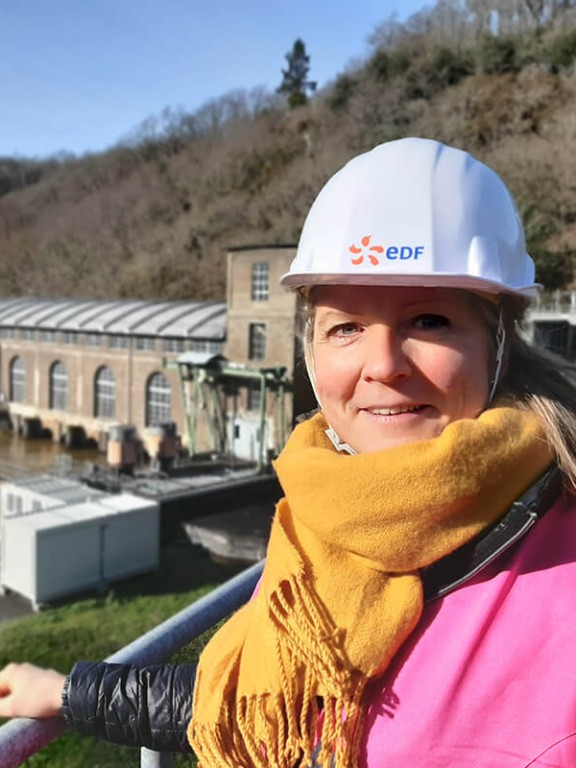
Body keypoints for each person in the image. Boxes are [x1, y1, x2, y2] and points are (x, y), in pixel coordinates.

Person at [2, 136, 576, 767]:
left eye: (429, 320)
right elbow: (258, 697)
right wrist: (71, 694)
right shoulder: (318, 517)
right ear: (311, 350)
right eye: (346, 327)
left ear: (498, 343)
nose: (382, 364)